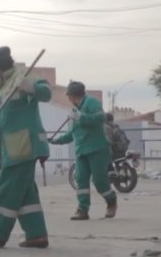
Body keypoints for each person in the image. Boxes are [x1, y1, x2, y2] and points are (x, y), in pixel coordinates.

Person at [0, 46, 52, 249]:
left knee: (7, 187)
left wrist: (31, 88)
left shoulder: (24, 76)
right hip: (10, 147)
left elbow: (47, 93)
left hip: (25, 145)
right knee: (25, 193)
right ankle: (37, 235)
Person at [49, 81, 118, 220]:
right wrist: (56, 140)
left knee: (99, 180)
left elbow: (100, 118)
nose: (69, 100)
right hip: (81, 151)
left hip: (97, 149)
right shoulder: (75, 111)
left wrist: (82, 117)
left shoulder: (91, 103)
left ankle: (111, 202)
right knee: (81, 180)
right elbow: (72, 133)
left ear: (73, 96)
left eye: (69, 96)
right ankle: (82, 209)